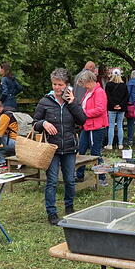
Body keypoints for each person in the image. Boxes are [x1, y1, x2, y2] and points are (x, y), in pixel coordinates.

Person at [32, 68, 86, 225]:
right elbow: (34, 123)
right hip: (52, 148)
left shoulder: (72, 102)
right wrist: (43, 123)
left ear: (67, 85)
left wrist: (73, 103)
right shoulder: (45, 101)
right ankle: (52, 213)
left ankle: (69, 208)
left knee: (70, 180)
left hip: (69, 147)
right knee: (52, 181)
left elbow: (82, 120)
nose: (57, 88)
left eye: (60, 84)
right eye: (54, 84)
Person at [75, 69, 109, 187]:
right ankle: (79, 175)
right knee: (82, 149)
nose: (84, 86)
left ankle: (102, 178)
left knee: (95, 153)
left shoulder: (99, 92)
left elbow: (100, 109)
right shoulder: (89, 92)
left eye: (84, 83)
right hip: (87, 126)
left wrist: (84, 113)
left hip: (97, 127)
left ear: (89, 81)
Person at [0, 99, 18, 166]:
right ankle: (6, 160)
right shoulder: (10, 112)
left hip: (14, 143)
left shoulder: (4, 116)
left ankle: (2, 162)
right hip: (20, 141)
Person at [105, 68, 128, 150]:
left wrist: (114, 105)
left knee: (111, 126)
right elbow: (126, 97)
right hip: (121, 108)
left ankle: (110, 144)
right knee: (120, 126)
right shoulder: (124, 85)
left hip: (111, 108)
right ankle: (120, 144)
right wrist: (120, 105)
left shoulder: (108, 85)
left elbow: (108, 97)